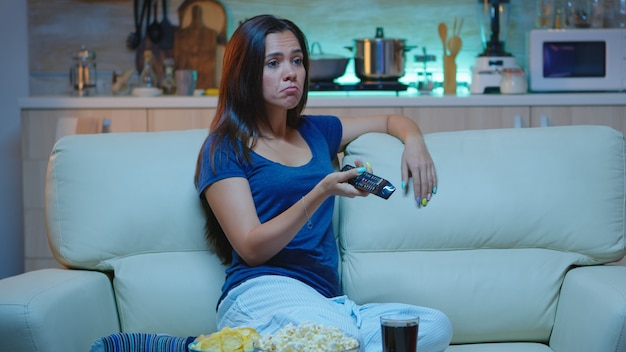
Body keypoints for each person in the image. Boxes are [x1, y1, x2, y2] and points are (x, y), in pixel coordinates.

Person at [194, 14, 453, 352]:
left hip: (326, 301)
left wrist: (415, 143)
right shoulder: (224, 148)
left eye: (297, 60)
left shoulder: (316, 131)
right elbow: (251, 248)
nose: (291, 72)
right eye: (273, 63)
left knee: (432, 327)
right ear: (245, 73)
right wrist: (321, 191)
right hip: (261, 291)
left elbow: (393, 119)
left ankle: (301, 344)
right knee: (343, 337)